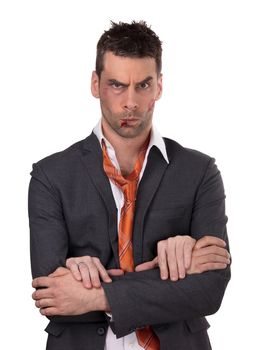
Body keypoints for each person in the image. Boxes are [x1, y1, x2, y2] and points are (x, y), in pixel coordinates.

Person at [29, 21, 231, 350]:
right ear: (95, 84)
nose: (131, 102)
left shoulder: (200, 171)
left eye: (143, 85)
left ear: (159, 87)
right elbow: (53, 294)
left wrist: (94, 293)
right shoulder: (51, 176)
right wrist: (179, 271)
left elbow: (210, 288)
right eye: (117, 85)